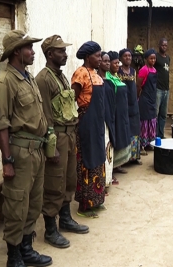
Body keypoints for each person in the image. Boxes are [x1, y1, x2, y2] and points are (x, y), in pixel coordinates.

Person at [0, 30, 52, 267]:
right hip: (19, 153)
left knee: (34, 203)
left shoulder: (27, 78)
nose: (33, 51)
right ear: (17, 51)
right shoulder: (4, 81)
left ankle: (26, 249)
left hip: (36, 151)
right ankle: (13, 256)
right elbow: (0, 124)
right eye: (29, 47)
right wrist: (7, 161)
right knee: (16, 204)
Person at [36, 35, 89, 249]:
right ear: (50, 54)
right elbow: (45, 116)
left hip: (68, 135)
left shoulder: (60, 76)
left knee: (69, 178)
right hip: (56, 137)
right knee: (53, 182)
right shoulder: (43, 79)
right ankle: (50, 229)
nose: (65, 54)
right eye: (61, 51)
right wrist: (51, 146)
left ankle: (65, 219)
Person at [71, 41, 106, 219]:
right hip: (86, 121)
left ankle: (96, 200)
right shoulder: (81, 73)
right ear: (87, 57)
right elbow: (72, 99)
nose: (100, 59)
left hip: (97, 122)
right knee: (86, 161)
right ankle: (84, 205)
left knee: (98, 158)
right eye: (97, 56)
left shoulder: (97, 75)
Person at [106, 51, 131, 172]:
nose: (118, 65)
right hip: (115, 115)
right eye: (115, 63)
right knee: (115, 139)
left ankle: (118, 165)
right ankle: (112, 167)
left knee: (122, 137)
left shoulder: (116, 77)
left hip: (122, 114)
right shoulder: (108, 80)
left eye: (118, 63)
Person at [118, 48, 142, 165]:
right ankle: (125, 159)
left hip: (134, 104)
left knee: (135, 130)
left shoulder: (133, 71)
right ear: (121, 58)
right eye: (125, 56)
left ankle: (134, 157)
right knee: (125, 130)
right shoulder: (118, 71)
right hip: (123, 105)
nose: (128, 58)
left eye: (129, 56)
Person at [97, 51, 116, 189]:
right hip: (101, 120)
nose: (108, 63)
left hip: (110, 117)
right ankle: (102, 183)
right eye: (105, 61)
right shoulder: (97, 79)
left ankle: (108, 179)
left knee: (109, 149)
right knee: (103, 150)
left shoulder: (109, 78)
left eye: (109, 60)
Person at [136, 49, 157, 155]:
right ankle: (142, 145)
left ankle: (149, 143)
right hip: (144, 99)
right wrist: (137, 97)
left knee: (152, 121)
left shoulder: (154, 70)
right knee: (144, 122)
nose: (153, 60)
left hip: (152, 99)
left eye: (154, 58)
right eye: (151, 58)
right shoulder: (144, 70)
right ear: (146, 59)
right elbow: (138, 85)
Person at [154, 38, 171, 139]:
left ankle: (161, 134)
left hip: (166, 90)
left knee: (163, 115)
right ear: (159, 45)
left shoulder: (168, 58)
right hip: (158, 89)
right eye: (162, 45)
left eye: (166, 45)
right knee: (155, 114)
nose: (164, 47)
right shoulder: (156, 57)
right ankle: (154, 135)